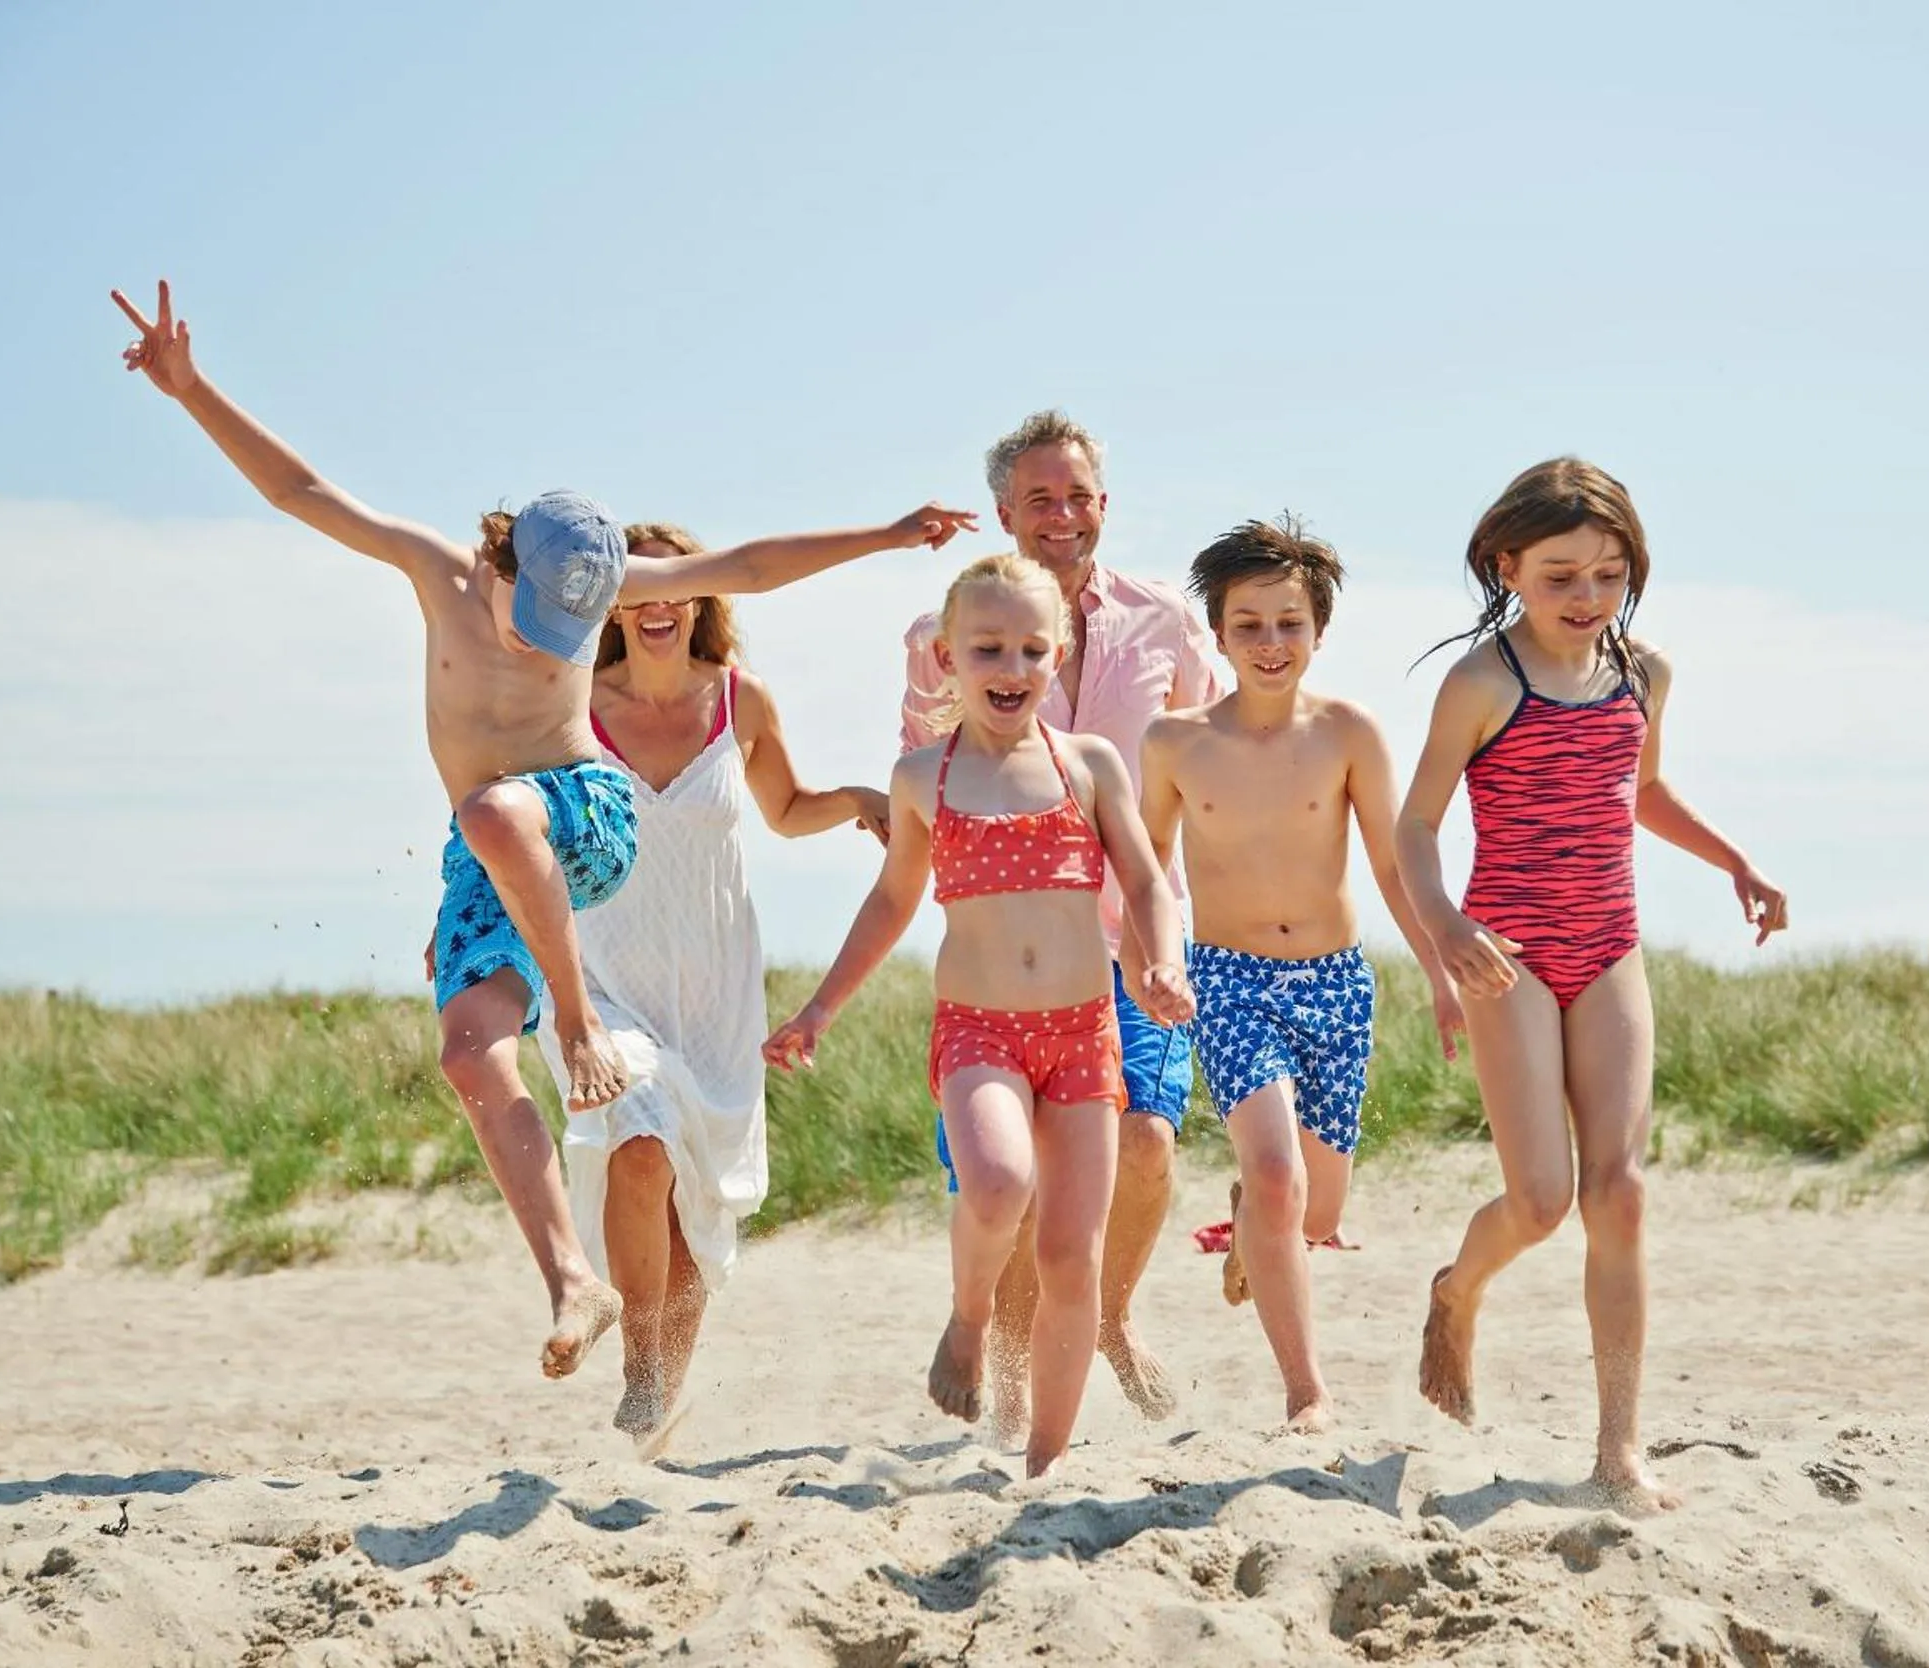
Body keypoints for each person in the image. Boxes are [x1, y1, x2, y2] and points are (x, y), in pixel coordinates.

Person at [111, 280, 973, 1378]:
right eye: (540, 619)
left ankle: (576, 1026)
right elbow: (301, 489)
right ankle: (572, 1280)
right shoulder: (433, 571)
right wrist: (190, 389)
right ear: (500, 558)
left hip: (584, 815)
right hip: (494, 853)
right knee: (469, 1053)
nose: (553, 642)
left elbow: (749, 567)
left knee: (494, 808)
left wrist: (891, 533)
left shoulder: (609, 581)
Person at [1395, 457, 1787, 1509]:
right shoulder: (1482, 681)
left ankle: (1618, 1449)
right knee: (1540, 1201)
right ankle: (1455, 1289)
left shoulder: (1642, 674)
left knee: (1618, 1194)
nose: (1585, 597)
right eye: (1561, 575)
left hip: (1609, 946)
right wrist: (1443, 926)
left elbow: (1641, 789)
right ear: (1506, 566)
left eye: (1608, 576)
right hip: (1507, 955)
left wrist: (1734, 861)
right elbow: (1415, 824)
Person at [770, 554, 1194, 1477]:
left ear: (1059, 655)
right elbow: (891, 903)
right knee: (997, 1184)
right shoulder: (924, 777)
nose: (1011, 667)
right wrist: (819, 1009)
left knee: (1071, 1258)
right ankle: (967, 1322)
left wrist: (1161, 962)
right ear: (949, 657)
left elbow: (1147, 879)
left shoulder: (1090, 765)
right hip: (980, 1032)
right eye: (988, 648)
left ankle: (1044, 1462)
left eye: (1032, 650)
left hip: (1085, 1034)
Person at [532, 523, 890, 1457]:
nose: (655, 605)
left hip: (715, 987)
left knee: (695, 1219)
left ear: (700, 597)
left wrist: (859, 799)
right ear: (609, 604)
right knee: (640, 1143)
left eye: (673, 586)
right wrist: (465, 928)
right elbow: (514, 828)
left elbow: (786, 810)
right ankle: (637, 1372)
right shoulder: (571, 704)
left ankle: (656, 1400)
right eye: (634, 588)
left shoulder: (742, 701)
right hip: (599, 976)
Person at [898, 411, 1217, 1432]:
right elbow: (925, 784)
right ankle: (1009, 1377)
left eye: (1078, 495)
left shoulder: (1164, 618)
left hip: (1138, 942)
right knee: (1019, 1187)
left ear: (1103, 506)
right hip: (1010, 963)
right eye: (1040, 498)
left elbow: (1210, 751)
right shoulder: (940, 640)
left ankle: (1108, 1317)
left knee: (1151, 1142)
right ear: (1005, 512)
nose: (1063, 514)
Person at [1139, 517, 1462, 1431]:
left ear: (1317, 632)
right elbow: (1146, 868)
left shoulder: (1349, 732)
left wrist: (1440, 974)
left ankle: (1255, 1225)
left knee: (1314, 1212)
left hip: (1334, 981)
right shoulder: (1174, 742)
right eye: (1249, 626)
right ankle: (1307, 1392)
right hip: (1229, 977)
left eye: (1288, 625)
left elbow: (1396, 867)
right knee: (1278, 1178)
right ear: (1219, 633)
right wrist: (1154, 960)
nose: (1270, 645)